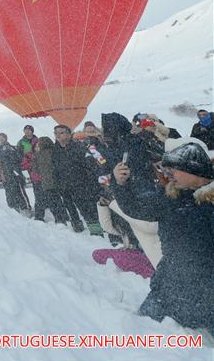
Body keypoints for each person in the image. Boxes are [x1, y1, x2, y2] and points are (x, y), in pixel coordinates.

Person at [113, 141, 214, 331]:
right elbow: (135, 208)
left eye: (175, 169)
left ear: (195, 171)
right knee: (141, 334)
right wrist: (121, 184)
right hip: (169, 287)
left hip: (207, 293)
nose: (170, 173)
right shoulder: (171, 197)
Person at [51, 125, 102, 234]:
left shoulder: (78, 147)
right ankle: (78, 229)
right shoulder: (55, 151)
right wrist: (58, 184)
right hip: (65, 186)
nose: (58, 135)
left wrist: (90, 183)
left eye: (61, 132)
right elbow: (54, 169)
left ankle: (97, 233)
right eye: (56, 133)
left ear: (69, 134)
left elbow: (91, 166)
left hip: (81, 185)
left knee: (88, 211)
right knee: (71, 209)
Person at [0, 133, 31, 215]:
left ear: (6, 139)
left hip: (14, 174)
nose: (1, 140)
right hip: (4, 176)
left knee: (19, 192)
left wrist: (2, 163)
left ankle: (26, 208)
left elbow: (15, 159)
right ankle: (13, 210)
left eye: (2, 138)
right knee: (9, 194)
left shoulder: (11, 148)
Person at [33, 136, 67, 223]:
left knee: (52, 201)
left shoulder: (38, 154)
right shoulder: (55, 151)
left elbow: (35, 169)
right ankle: (64, 216)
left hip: (47, 182)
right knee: (60, 200)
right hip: (58, 179)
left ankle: (58, 219)